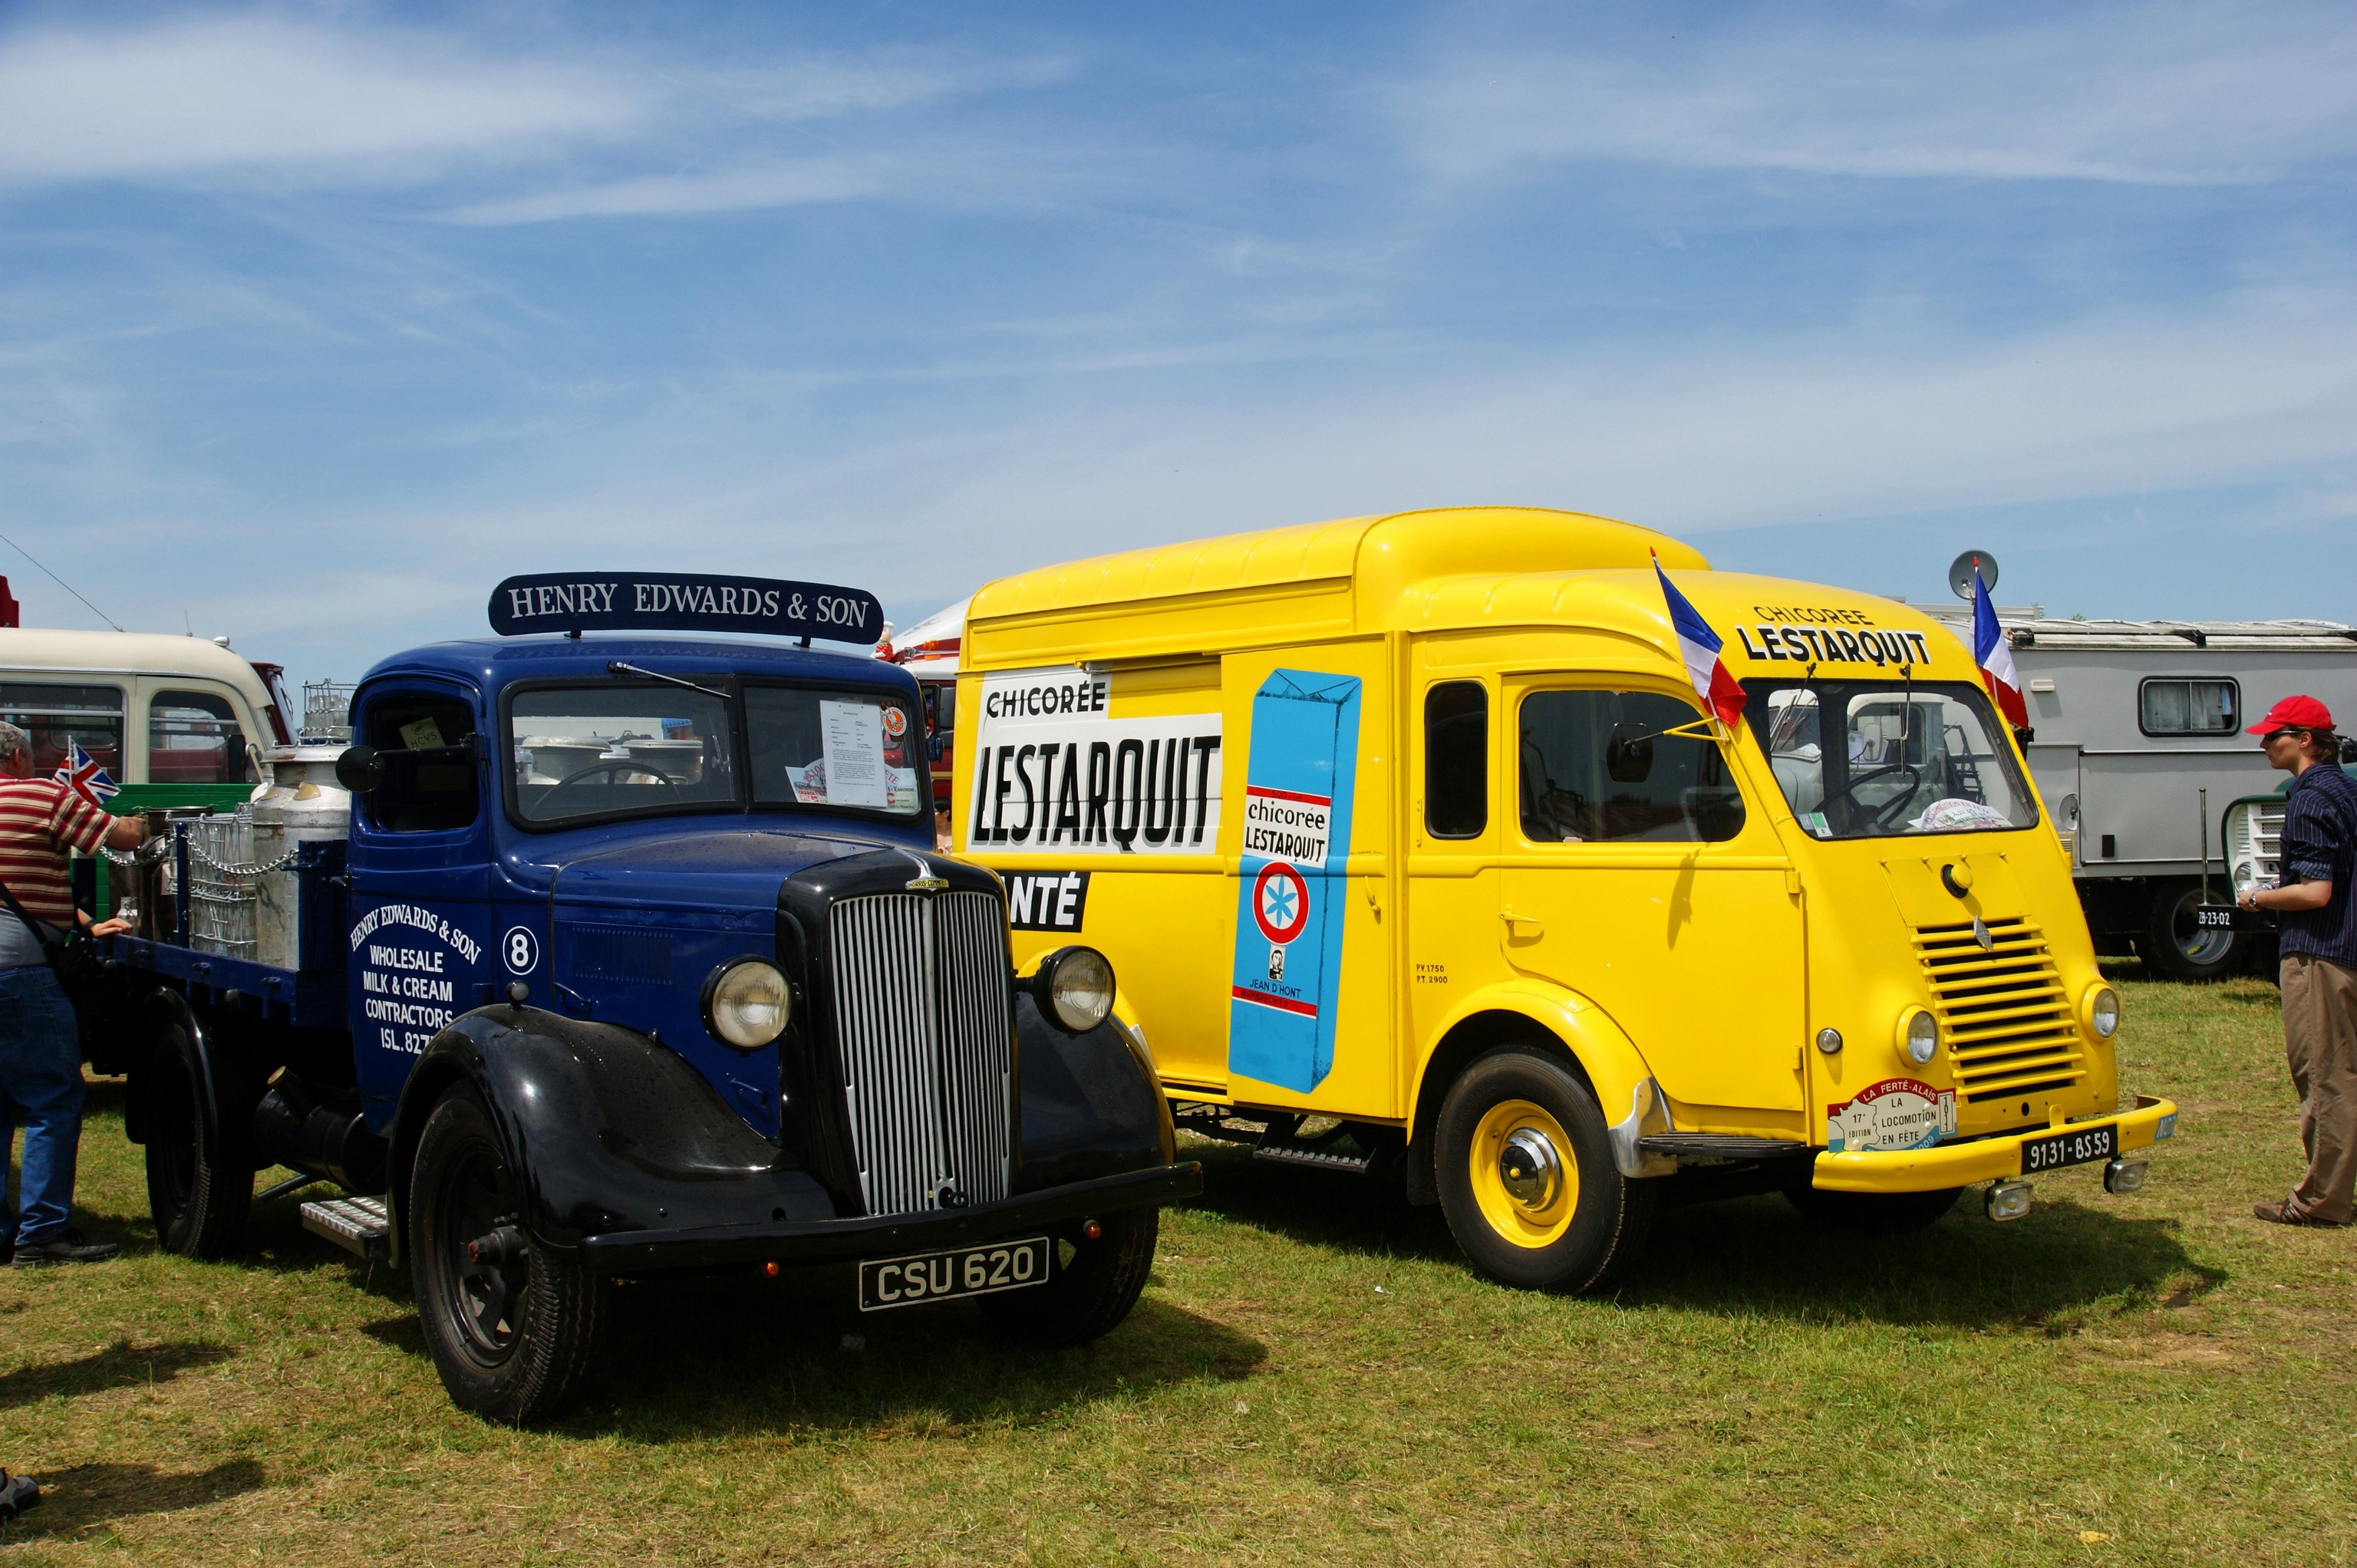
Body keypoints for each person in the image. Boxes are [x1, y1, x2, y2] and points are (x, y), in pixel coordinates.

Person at [0, 718, 142, 1266]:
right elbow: (122, 838)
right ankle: (41, 1233)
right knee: (51, 1098)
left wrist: (80, 922)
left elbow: (17, 886)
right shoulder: (42, 795)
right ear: (16, 759)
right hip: (19, 973)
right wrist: (141, 822)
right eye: (32, 753)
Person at [2236, 695, 2357, 1227]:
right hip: (2346, 950)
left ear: (2305, 740)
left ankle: (2321, 1202)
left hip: (2318, 954)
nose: (2264, 744)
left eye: (2274, 735)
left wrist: (2258, 897)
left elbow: (2315, 893)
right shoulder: (2344, 787)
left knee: (2324, 1077)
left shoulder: (2307, 798)